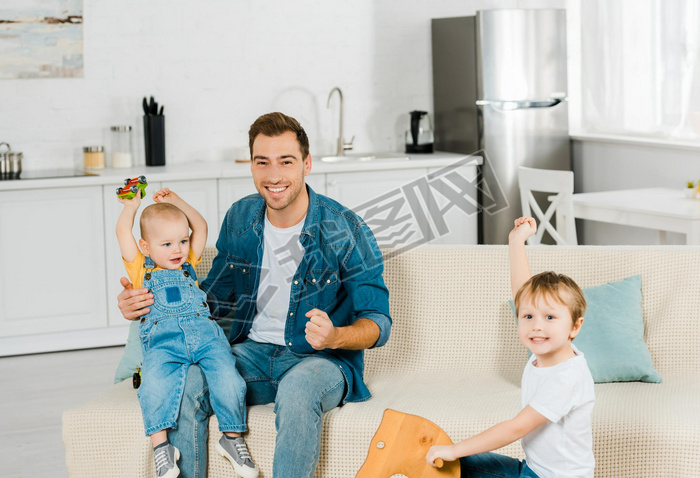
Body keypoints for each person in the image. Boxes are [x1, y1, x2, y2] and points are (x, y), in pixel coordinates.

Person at [117, 112, 392, 478]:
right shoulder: (241, 217)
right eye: (262, 162)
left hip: (320, 361)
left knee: (297, 391)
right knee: (187, 385)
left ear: (307, 164)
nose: (274, 175)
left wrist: (336, 335)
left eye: (286, 161)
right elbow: (211, 300)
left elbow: (378, 321)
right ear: (251, 165)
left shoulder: (346, 229)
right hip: (253, 351)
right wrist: (145, 303)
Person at [426, 216, 595, 478]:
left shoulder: (566, 377)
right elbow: (522, 295)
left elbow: (516, 429)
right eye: (528, 317)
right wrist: (516, 241)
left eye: (550, 317)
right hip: (532, 469)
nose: (536, 326)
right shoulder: (545, 352)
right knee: (453, 465)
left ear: (575, 326)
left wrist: (455, 449)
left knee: (454, 458)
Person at [116, 188, 258, 478]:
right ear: (145, 247)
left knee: (229, 376)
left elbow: (201, 225)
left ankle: (231, 439)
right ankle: (162, 449)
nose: (177, 249)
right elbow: (122, 231)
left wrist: (176, 202)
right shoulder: (140, 272)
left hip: (206, 337)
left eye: (182, 241)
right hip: (164, 345)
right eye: (166, 243)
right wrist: (131, 207)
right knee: (153, 384)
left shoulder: (188, 266)